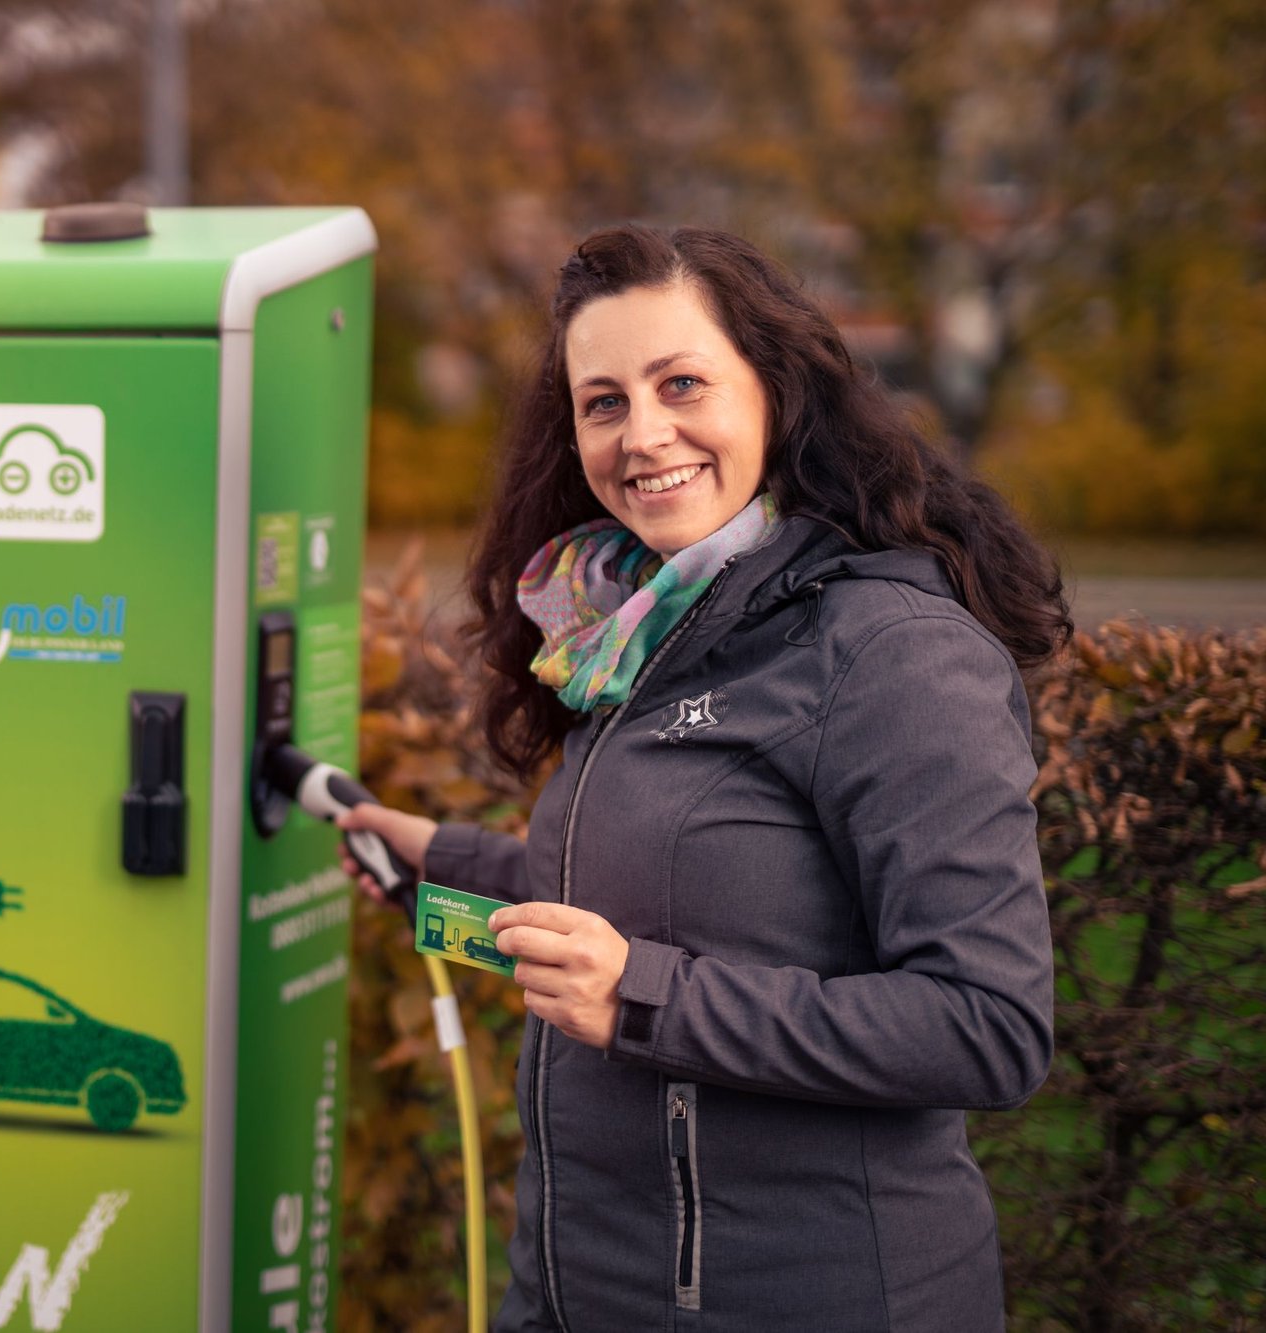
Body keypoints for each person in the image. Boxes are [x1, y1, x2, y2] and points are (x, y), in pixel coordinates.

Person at [338, 224, 1067, 1331]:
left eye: (680, 383)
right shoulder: (628, 631)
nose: (643, 435)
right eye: (602, 402)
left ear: (774, 393)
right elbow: (617, 909)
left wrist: (640, 996)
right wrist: (428, 875)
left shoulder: (885, 650)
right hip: (584, 1290)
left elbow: (985, 1024)